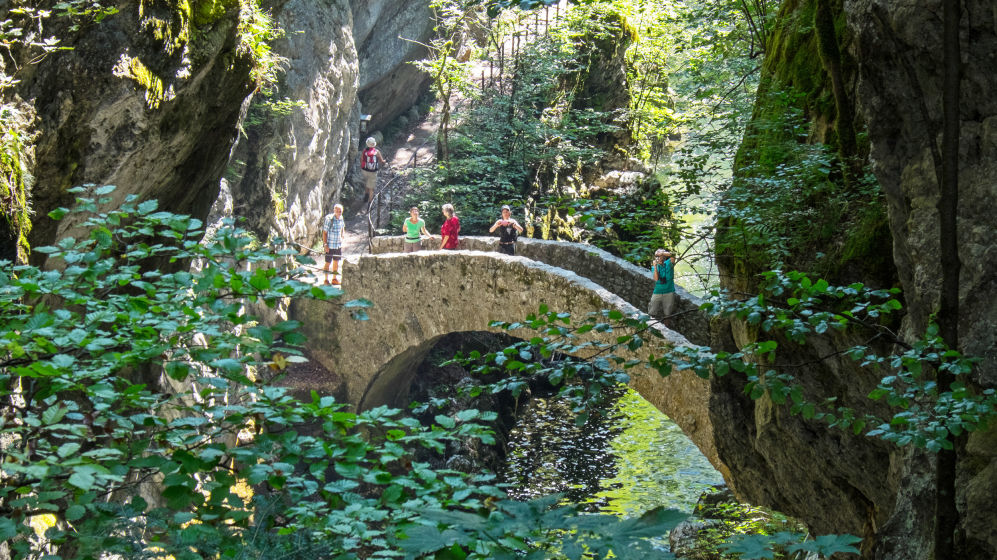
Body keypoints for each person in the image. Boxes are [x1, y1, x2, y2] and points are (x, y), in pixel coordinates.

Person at [648, 248, 677, 325]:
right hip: (657, 291)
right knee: (652, 311)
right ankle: (650, 326)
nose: (658, 258)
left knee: (667, 314)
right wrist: (655, 266)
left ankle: (666, 328)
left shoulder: (669, 263)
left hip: (669, 291)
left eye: (660, 256)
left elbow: (673, 255)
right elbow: (656, 279)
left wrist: (662, 252)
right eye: (657, 256)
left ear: (664, 257)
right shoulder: (655, 267)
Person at [359, 137, 387, 207]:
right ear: (374, 144)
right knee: (371, 187)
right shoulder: (377, 152)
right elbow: (381, 161)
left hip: (365, 170)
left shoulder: (364, 151)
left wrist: (363, 167)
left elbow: (361, 160)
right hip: (373, 172)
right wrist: (385, 161)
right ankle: (370, 203)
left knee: (367, 182)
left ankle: (366, 196)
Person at [322, 203, 346, 285]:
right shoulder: (329, 220)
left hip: (338, 245)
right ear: (334, 211)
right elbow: (324, 232)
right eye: (337, 211)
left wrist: (342, 235)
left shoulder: (341, 218)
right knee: (328, 262)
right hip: (330, 245)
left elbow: (343, 227)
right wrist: (325, 245)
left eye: (340, 211)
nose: (339, 213)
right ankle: (326, 280)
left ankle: (334, 279)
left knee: (336, 262)